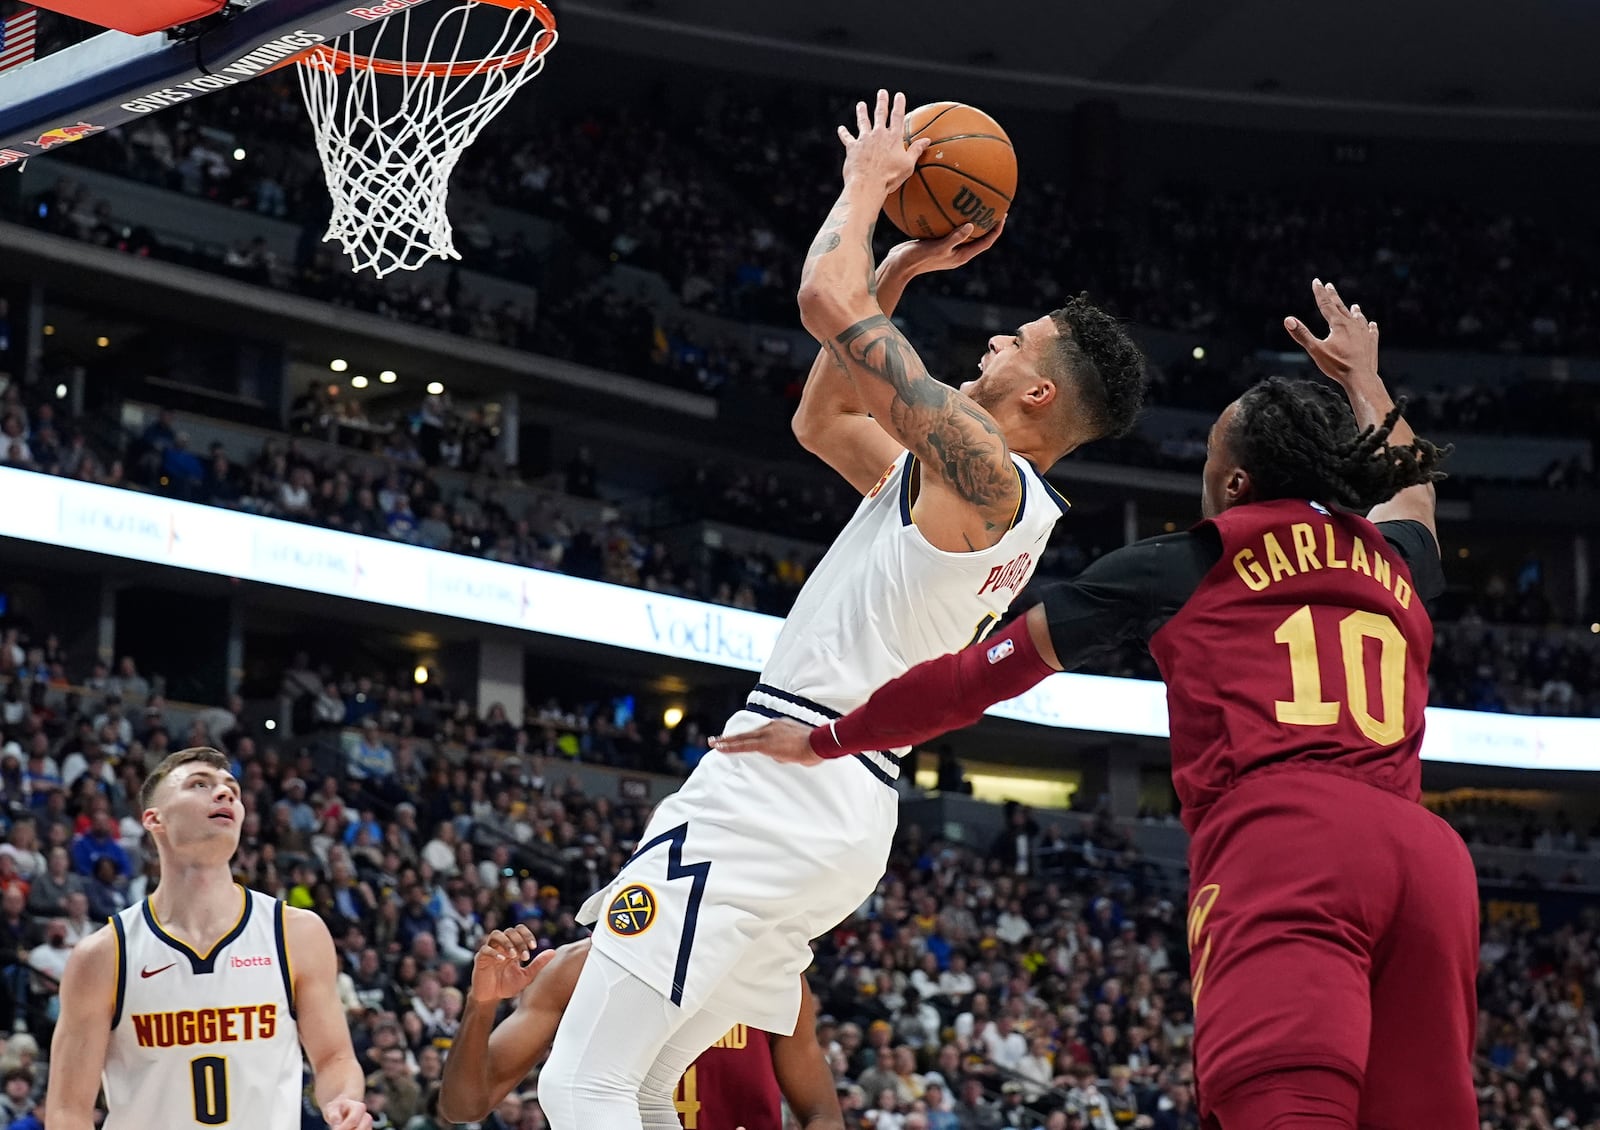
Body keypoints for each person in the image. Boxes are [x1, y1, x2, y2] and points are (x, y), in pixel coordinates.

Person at [712, 283, 1478, 1129]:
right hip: (1430, 860)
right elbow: (1416, 494)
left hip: (1293, 843)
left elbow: (976, 679)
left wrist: (828, 736)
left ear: (1233, 480)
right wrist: (1368, 382)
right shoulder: (1394, 556)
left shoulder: (1192, 559)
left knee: (1286, 1105)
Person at [537, 90, 1147, 1130]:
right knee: (641, 1088)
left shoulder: (985, 469)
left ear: (1038, 398)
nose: (995, 338)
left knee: (579, 1082)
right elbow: (821, 416)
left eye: (1017, 343)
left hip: (781, 790)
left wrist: (867, 187)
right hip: (828, 803)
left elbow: (824, 294)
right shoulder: (967, 491)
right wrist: (901, 270)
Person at [44, 747, 373, 1130]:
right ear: (154, 819)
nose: (224, 793)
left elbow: (334, 1057)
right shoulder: (103, 955)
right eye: (200, 784)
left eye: (231, 787)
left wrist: (343, 1100)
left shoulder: (295, 933)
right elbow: (68, 1110)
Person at [439, 929, 843, 1130]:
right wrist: (482, 1004)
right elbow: (464, 1106)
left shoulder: (770, 973)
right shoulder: (576, 968)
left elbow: (823, 1114)